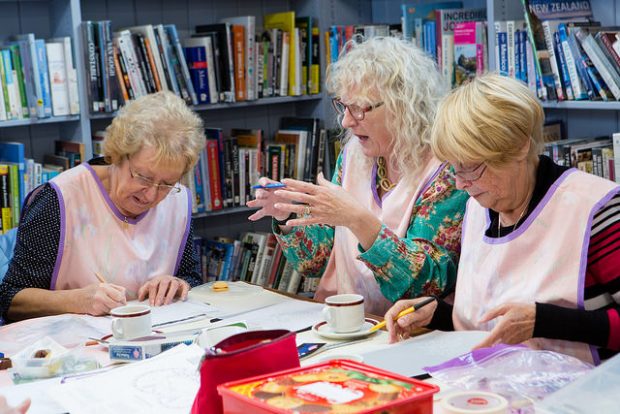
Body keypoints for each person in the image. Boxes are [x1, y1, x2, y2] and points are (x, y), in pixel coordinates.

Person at [385, 74, 620, 364]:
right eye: (453, 168)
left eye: (471, 167)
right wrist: (435, 312)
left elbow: (531, 325)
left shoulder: (595, 209)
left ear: (521, 146)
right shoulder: (478, 207)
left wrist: (542, 320)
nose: (460, 184)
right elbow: (487, 326)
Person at [248, 36, 469, 315]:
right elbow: (316, 262)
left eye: (359, 108)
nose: (346, 121)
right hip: (347, 322)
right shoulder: (355, 156)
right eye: (344, 105)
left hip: (409, 332)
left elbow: (427, 286)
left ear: (403, 105)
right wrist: (286, 214)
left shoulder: (447, 170)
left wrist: (358, 220)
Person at [0, 91, 205, 322]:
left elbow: (190, 276)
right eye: (143, 177)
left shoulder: (178, 201)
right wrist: (78, 300)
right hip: (74, 348)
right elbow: (10, 299)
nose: (151, 195)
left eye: (167, 184)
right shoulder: (59, 200)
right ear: (117, 155)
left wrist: (178, 283)